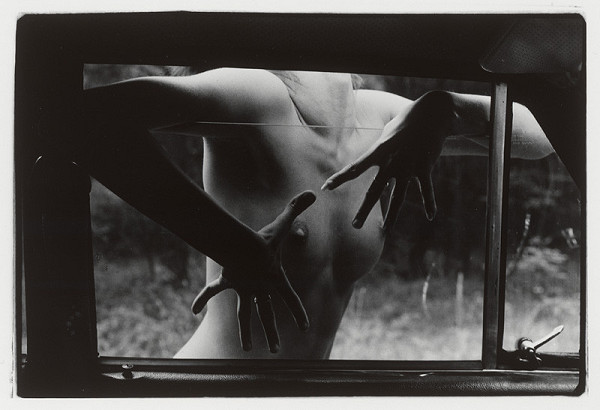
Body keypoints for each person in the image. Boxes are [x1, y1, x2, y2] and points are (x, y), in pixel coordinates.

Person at [77, 68, 553, 359]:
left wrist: (443, 108)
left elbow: (541, 137)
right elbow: (85, 119)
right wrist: (231, 245)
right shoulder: (256, 93)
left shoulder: (380, 117)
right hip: (211, 393)